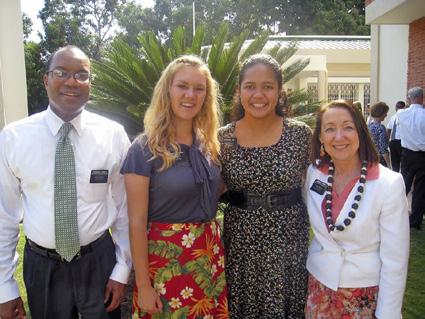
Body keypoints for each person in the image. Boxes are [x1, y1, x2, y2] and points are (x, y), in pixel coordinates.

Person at [0, 45, 131, 318]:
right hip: (42, 267)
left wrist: (121, 270)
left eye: (82, 75)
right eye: (61, 72)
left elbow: (125, 209)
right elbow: (4, 217)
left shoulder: (113, 135)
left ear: (90, 84)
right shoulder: (14, 138)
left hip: (99, 262)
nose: (72, 81)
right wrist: (4, 287)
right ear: (46, 79)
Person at [121, 55, 228, 319]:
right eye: (182, 86)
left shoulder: (209, 145)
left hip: (208, 257)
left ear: (206, 96)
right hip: (166, 264)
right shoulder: (144, 148)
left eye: (199, 88)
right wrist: (143, 286)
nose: (190, 95)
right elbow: (136, 222)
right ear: (167, 89)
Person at [218, 54, 311, 318]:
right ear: (239, 90)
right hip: (240, 241)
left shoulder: (299, 134)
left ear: (280, 91)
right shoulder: (224, 137)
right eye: (250, 86)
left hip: (288, 241)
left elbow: (320, 181)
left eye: (267, 86)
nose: (258, 94)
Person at [304, 100, 409, 319]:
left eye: (348, 127)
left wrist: (388, 314)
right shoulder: (313, 174)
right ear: (321, 138)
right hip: (319, 288)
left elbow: (395, 260)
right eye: (330, 129)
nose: (339, 136)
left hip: (365, 294)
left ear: (360, 132)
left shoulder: (389, 183)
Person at [397, 87, 425, 230]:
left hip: (407, 153)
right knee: (420, 188)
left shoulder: (401, 113)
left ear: (409, 98)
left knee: (403, 186)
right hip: (422, 155)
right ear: (422, 97)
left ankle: (395, 215)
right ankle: (415, 221)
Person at [368, 101, 390, 166]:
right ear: (381, 113)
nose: (386, 115)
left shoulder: (369, 126)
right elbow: (383, 148)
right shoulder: (381, 128)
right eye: (385, 113)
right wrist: (389, 164)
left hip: (370, 157)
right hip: (380, 159)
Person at [386, 101, 406, 172]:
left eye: (400, 107)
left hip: (403, 142)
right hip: (394, 142)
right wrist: (387, 141)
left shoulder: (406, 117)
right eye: (397, 107)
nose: (398, 109)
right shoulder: (393, 117)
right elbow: (389, 129)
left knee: (403, 162)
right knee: (394, 162)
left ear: (404, 108)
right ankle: (396, 175)